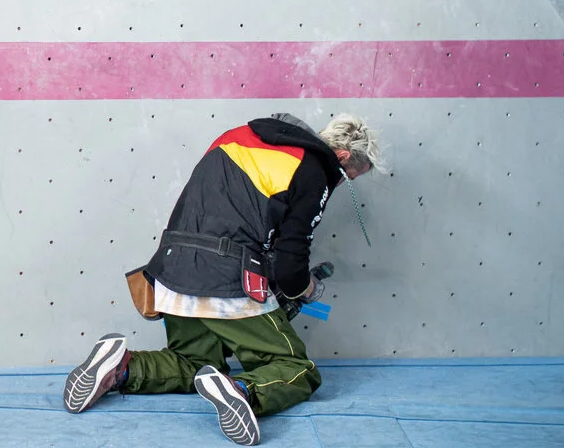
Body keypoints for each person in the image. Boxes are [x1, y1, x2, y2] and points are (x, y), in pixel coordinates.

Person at [63, 113, 387, 445]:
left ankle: (119, 368)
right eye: (348, 176)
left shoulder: (240, 135)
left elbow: (229, 217)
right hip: (226, 277)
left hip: (171, 268)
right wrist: (307, 289)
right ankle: (240, 391)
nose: (341, 180)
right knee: (296, 368)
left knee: (192, 363)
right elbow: (290, 267)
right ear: (343, 156)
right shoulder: (316, 168)